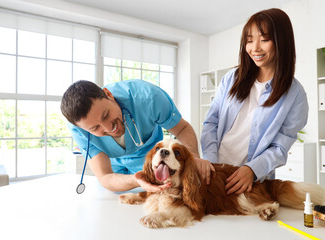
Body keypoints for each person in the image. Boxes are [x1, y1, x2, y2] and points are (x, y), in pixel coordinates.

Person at [200, 8, 308, 195]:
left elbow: (280, 147)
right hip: (214, 174)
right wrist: (211, 163)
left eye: (264, 39)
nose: (255, 48)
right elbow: (211, 122)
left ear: (282, 42)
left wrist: (252, 170)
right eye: (249, 40)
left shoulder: (295, 95)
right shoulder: (231, 78)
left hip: (251, 182)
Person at [61, 79, 214, 192]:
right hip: (116, 172)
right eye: (95, 128)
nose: (109, 128)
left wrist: (193, 157)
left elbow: (182, 129)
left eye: (106, 115)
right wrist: (136, 180)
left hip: (151, 162)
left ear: (109, 94)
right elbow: (106, 176)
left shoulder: (149, 98)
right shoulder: (79, 130)